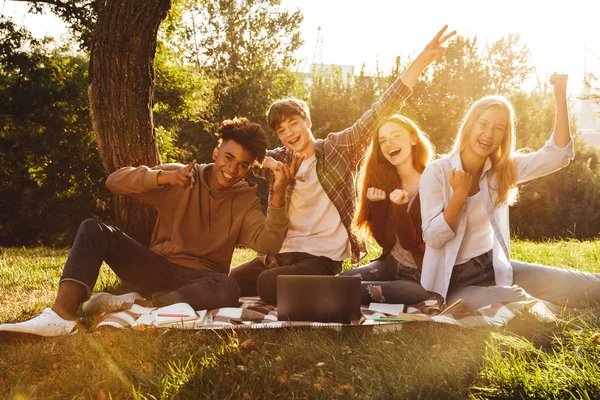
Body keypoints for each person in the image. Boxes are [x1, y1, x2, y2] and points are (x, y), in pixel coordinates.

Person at [0, 117, 302, 337]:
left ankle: (143, 304)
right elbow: (114, 182)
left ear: (251, 168)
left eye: (243, 165)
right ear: (216, 152)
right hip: (156, 267)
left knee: (228, 286)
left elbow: (268, 244)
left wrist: (277, 195)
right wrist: (162, 178)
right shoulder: (183, 176)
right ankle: (61, 316)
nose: (232, 169)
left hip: (202, 280)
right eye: (229, 158)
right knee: (93, 229)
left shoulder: (245, 200)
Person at [230, 26, 456, 305]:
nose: (289, 133)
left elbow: (380, 111)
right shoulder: (282, 160)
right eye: (281, 130)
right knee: (232, 282)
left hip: (322, 257)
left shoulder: (337, 148)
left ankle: (320, 288)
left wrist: (419, 63)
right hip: (283, 255)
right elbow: (246, 160)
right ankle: (294, 286)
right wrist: (268, 161)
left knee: (267, 285)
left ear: (307, 122)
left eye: (293, 124)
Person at [420, 74, 600, 311]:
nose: (488, 134)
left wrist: (559, 94)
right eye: (483, 124)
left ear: (504, 136)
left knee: (590, 287)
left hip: (494, 267)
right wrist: (459, 197)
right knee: (519, 303)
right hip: (454, 285)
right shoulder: (437, 172)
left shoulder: (502, 171)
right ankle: (570, 315)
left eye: (498, 129)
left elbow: (558, 156)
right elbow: (432, 238)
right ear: (469, 125)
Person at [339, 115, 437, 305]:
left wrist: (400, 209)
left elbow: (410, 243)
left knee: (353, 292)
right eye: (382, 141)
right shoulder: (387, 182)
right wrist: (378, 208)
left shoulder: (432, 182)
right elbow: (386, 241)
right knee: (340, 282)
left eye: (396, 136)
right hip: (391, 264)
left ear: (413, 139)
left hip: (420, 278)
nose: (388, 143)